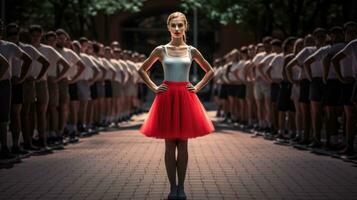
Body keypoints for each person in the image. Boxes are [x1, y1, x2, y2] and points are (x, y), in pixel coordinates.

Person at [137, 12, 215, 200]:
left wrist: (196, 87)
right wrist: (155, 87)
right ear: (168, 27)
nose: (177, 29)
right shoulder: (160, 50)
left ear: (185, 27)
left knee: (184, 144)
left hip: (185, 96)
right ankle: (173, 188)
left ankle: (182, 187)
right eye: (174, 25)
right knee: (170, 144)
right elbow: (141, 70)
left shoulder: (192, 50)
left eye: (181, 25)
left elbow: (210, 71)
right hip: (167, 96)